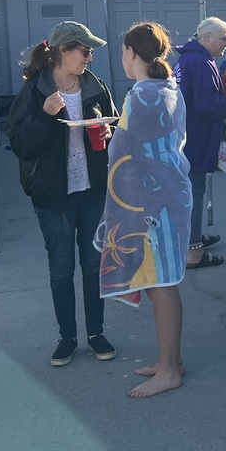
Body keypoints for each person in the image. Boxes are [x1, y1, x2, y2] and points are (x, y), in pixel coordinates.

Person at [6, 21, 118, 367]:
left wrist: (106, 133)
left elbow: (111, 128)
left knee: (92, 264)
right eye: (85, 51)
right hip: (53, 195)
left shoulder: (95, 87)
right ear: (62, 51)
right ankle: (67, 337)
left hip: (92, 190)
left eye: (91, 51)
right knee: (61, 268)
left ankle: (96, 332)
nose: (90, 57)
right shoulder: (34, 92)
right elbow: (22, 145)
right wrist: (44, 115)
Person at [96, 22, 191, 398]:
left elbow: (131, 149)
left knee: (161, 285)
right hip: (166, 198)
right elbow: (140, 139)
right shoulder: (165, 88)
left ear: (130, 52)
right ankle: (172, 360)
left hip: (154, 204)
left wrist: (115, 135)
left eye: (122, 51)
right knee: (160, 283)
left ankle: (168, 371)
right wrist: (117, 130)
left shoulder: (142, 94)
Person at [174, 17, 226, 269]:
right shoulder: (199, 61)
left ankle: (192, 237)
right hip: (194, 137)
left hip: (187, 134)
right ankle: (193, 252)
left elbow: (203, 97)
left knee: (189, 191)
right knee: (195, 193)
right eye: (223, 39)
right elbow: (207, 106)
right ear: (207, 37)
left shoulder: (191, 58)